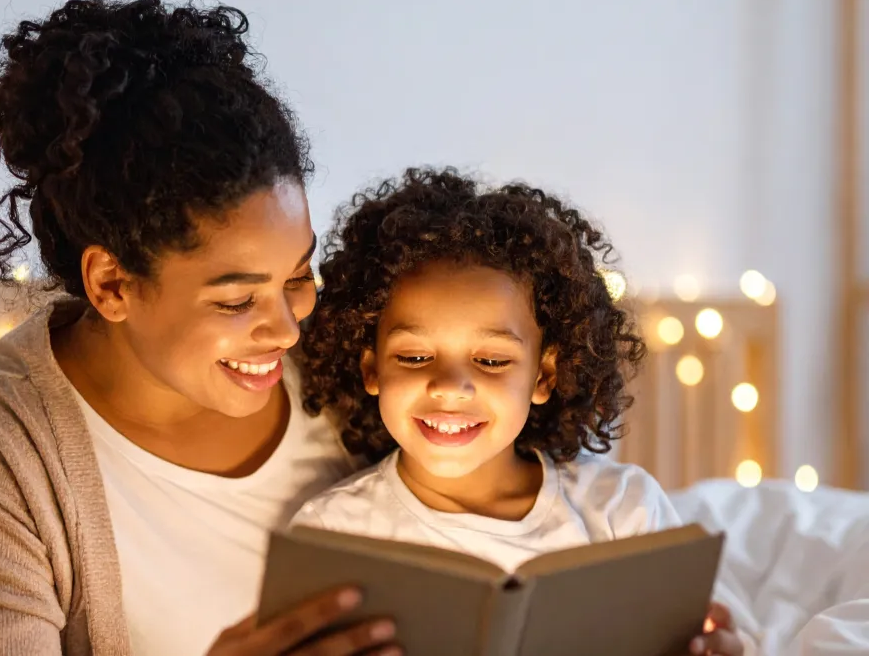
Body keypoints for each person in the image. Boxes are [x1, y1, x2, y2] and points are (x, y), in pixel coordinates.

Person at [0, 0, 400, 656]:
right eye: (236, 301)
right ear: (112, 284)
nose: (287, 330)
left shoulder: (352, 362)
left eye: (297, 276)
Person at [294, 167, 752, 655]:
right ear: (372, 370)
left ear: (544, 376)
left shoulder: (622, 511)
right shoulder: (332, 535)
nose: (449, 386)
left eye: (491, 361)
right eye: (413, 357)